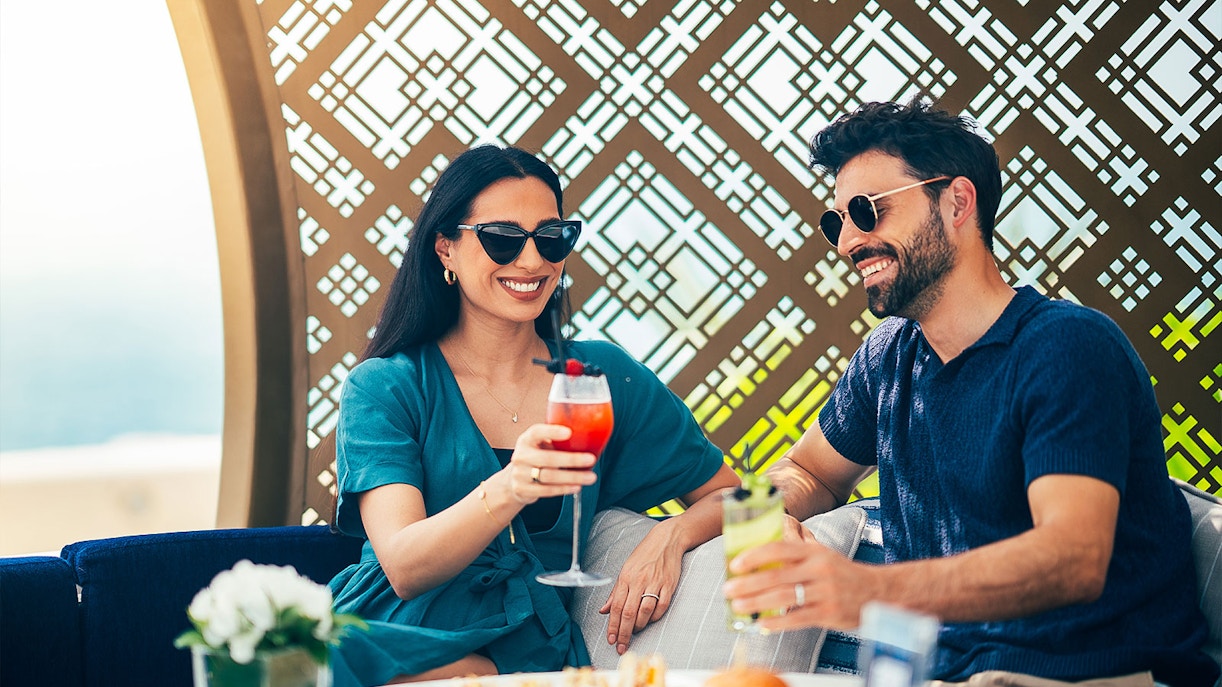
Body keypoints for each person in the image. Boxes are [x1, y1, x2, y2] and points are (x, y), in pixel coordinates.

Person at [721, 100, 1218, 686]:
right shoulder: (888, 357)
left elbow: (1072, 558)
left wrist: (865, 590)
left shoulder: (1068, 347)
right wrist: (764, 512)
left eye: (867, 211)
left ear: (957, 201)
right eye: (836, 222)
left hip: (1083, 675)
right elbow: (809, 472)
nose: (847, 242)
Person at [326, 144, 739, 686]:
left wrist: (673, 535)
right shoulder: (386, 386)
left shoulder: (598, 375)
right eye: (502, 239)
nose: (532, 261)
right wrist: (512, 487)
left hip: (529, 641)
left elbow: (735, 495)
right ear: (445, 248)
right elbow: (404, 567)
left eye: (551, 238)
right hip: (394, 633)